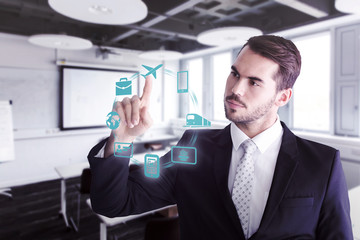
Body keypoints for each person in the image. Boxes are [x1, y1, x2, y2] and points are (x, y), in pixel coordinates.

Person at [88, 35, 353, 240]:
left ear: (282, 97)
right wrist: (121, 140)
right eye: (235, 73)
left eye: (254, 82)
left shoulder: (323, 163)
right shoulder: (193, 147)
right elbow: (113, 203)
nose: (235, 89)